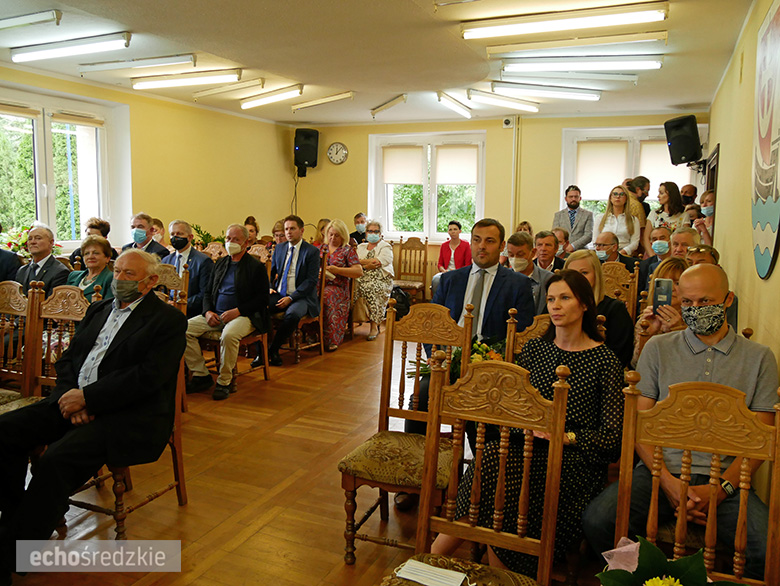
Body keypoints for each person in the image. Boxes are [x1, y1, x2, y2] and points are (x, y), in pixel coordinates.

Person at [0, 249, 187, 585]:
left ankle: (14, 555)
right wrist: (71, 397)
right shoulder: (99, 309)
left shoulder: (167, 321)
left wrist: (89, 399)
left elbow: (146, 378)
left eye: (129, 275)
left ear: (150, 282)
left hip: (127, 416)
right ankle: (15, 519)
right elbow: (69, 358)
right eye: (117, 272)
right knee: (6, 430)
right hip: (72, 400)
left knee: (57, 459)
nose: (119, 279)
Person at [583, 264, 776, 581]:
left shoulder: (759, 358)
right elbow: (639, 424)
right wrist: (670, 483)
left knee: (769, 547)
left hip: (726, 479)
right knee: (599, 519)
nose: (695, 310)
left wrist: (719, 489)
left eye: (704, 302)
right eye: (687, 303)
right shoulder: (658, 348)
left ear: (727, 300)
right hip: (661, 471)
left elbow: (761, 438)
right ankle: (646, 578)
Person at [432, 270, 624, 575]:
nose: (555, 306)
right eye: (550, 299)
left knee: (499, 476)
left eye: (564, 298)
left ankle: (435, 563)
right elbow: (511, 405)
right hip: (524, 446)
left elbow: (613, 440)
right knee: (495, 460)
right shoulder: (536, 350)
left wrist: (564, 437)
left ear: (585, 304)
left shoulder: (606, 361)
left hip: (573, 463)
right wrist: (520, 423)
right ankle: (489, 575)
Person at [183, 224, 270, 400]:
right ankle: (201, 374)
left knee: (229, 336)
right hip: (216, 313)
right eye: (228, 239)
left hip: (245, 315)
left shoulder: (255, 267)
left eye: (236, 239)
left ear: (246, 243)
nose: (230, 242)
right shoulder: (221, 263)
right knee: (182, 329)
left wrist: (238, 311)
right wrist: (207, 312)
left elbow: (262, 299)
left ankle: (224, 381)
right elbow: (207, 292)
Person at [266, 215, 320, 367]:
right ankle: (261, 350)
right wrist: (270, 286)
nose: (288, 232)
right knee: (258, 308)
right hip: (279, 293)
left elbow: (311, 281)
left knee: (292, 315)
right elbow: (272, 272)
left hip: (301, 296)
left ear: (301, 231)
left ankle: (272, 350)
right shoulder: (280, 248)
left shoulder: (311, 252)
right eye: (286, 229)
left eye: (292, 229)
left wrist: (291, 298)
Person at [565, 250, 634, 367]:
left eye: (584, 273)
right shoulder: (556, 307)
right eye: (572, 273)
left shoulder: (615, 309)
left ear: (596, 275)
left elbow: (620, 355)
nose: (577, 279)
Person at [631, 256, 689, 367]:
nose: (671, 289)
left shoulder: (693, 318)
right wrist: (648, 334)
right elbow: (636, 364)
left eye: (677, 283)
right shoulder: (648, 318)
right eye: (665, 284)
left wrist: (677, 329)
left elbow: (691, 362)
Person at [318, 220, 362, 351]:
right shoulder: (321, 248)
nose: (332, 238)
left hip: (338, 288)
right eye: (330, 234)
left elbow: (358, 271)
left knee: (326, 296)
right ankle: (313, 334)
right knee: (307, 294)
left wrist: (337, 270)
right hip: (319, 283)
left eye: (336, 235)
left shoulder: (347, 250)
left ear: (343, 235)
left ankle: (331, 339)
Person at [162, 220, 214, 318]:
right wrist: (167, 303)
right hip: (167, 310)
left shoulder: (203, 261)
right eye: (172, 234)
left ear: (190, 237)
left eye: (180, 234)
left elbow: (204, 293)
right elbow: (161, 288)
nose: (175, 237)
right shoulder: (166, 260)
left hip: (191, 312)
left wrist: (180, 304)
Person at [354, 219, 393, 341]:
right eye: (370, 231)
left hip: (381, 278)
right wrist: (366, 265)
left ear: (380, 233)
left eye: (376, 231)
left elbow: (378, 262)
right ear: (366, 233)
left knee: (371, 288)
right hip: (361, 276)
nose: (372, 233)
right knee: (353, 288)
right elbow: (354, 262)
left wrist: (362, 263)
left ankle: (374, 326)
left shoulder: (385, 246)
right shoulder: (361, 247)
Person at [685, 244, 738, 330]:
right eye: (689, 263)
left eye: (701, 264)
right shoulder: (674, 293)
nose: (693, 268)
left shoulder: (724, 298)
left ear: (716, 268)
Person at [505, 230, 553, 316]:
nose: (515, 259)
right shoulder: (503, 279)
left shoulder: (548, 279)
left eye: (520, 254)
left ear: (533, 253)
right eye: (511, 255)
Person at [15, 225, 70, 297]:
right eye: (30, 239)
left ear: (51, 242)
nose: (33, 242)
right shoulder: (22, 271)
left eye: (38, 238)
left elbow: (53, 304)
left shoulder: (60, 271)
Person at [642, 182, 690, 255]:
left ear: (671, 195)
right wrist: (652, 256)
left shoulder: (684, 215)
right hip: (655, 253)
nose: (658, 196)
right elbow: (646, 238)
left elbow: (685, 238)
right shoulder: (654, 214)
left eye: (661, 193)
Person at [593, 185, 641, 256]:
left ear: (626, 199)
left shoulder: (634, 220)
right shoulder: (600, 218)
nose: (618, 197)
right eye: (615, 194)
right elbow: (595, 240)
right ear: (610, 198)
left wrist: (621, 253)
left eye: (622, 194)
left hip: (624, 254)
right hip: (603, 254)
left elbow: (634, 243)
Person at [65, 235, 114, 302]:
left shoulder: (111, 278)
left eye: (96, 253)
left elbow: (107, 308)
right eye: (87, 253)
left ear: (107, 258)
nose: (90, 256)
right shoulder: (73, 276)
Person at [432, 220, 471, 297]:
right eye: (450, 230)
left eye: (455, 229)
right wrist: (444, 270)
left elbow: (468, 265)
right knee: (435, 280)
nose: (453, 232)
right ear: (448, 232)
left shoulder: (466, 245)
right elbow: (440, 264)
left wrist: (456, 271)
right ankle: (438, 304)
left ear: (460, 231)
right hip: (446, 273)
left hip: (460, 273)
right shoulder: (444, 245)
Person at [552, 184, 593, 251]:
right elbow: (554, 235)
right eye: (571, 197)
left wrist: (573, 246)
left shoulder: (588, 214)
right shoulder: (558, 215)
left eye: (576, 197)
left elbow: (588, 235)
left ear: (580, 198)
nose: (573, 199)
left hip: (581, 251)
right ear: (566, 199)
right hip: (561, 251)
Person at [636, 226, 672, 294]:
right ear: (651, 243)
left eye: (662, 238)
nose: (658, 241)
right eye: (655, 239)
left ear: (670, 241)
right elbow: (639, 293)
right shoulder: (644, 265)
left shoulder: (678, 262)